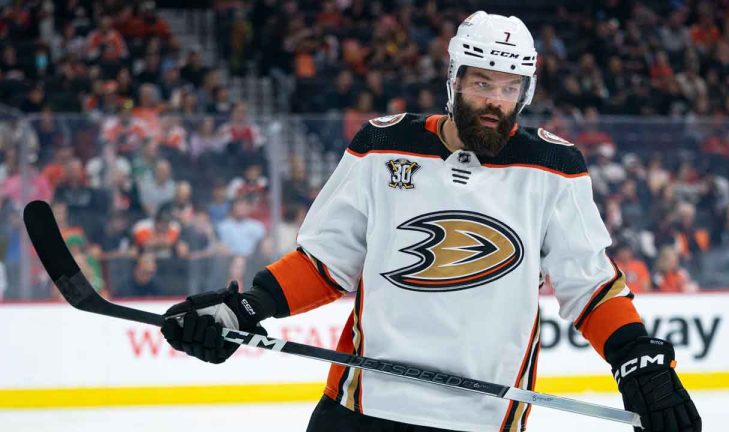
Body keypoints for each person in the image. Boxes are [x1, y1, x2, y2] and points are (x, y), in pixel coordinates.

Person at [161, 12, 700, 432]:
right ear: (454, 80)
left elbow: (591, 286)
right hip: (360, 408)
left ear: (526, 93)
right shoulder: (382, 145)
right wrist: (246, 308)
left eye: (509, 87)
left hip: (484, 418)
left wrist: (638, 361)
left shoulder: (554, 169)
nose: (494, 101)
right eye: (481, 83)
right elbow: (325, 263)